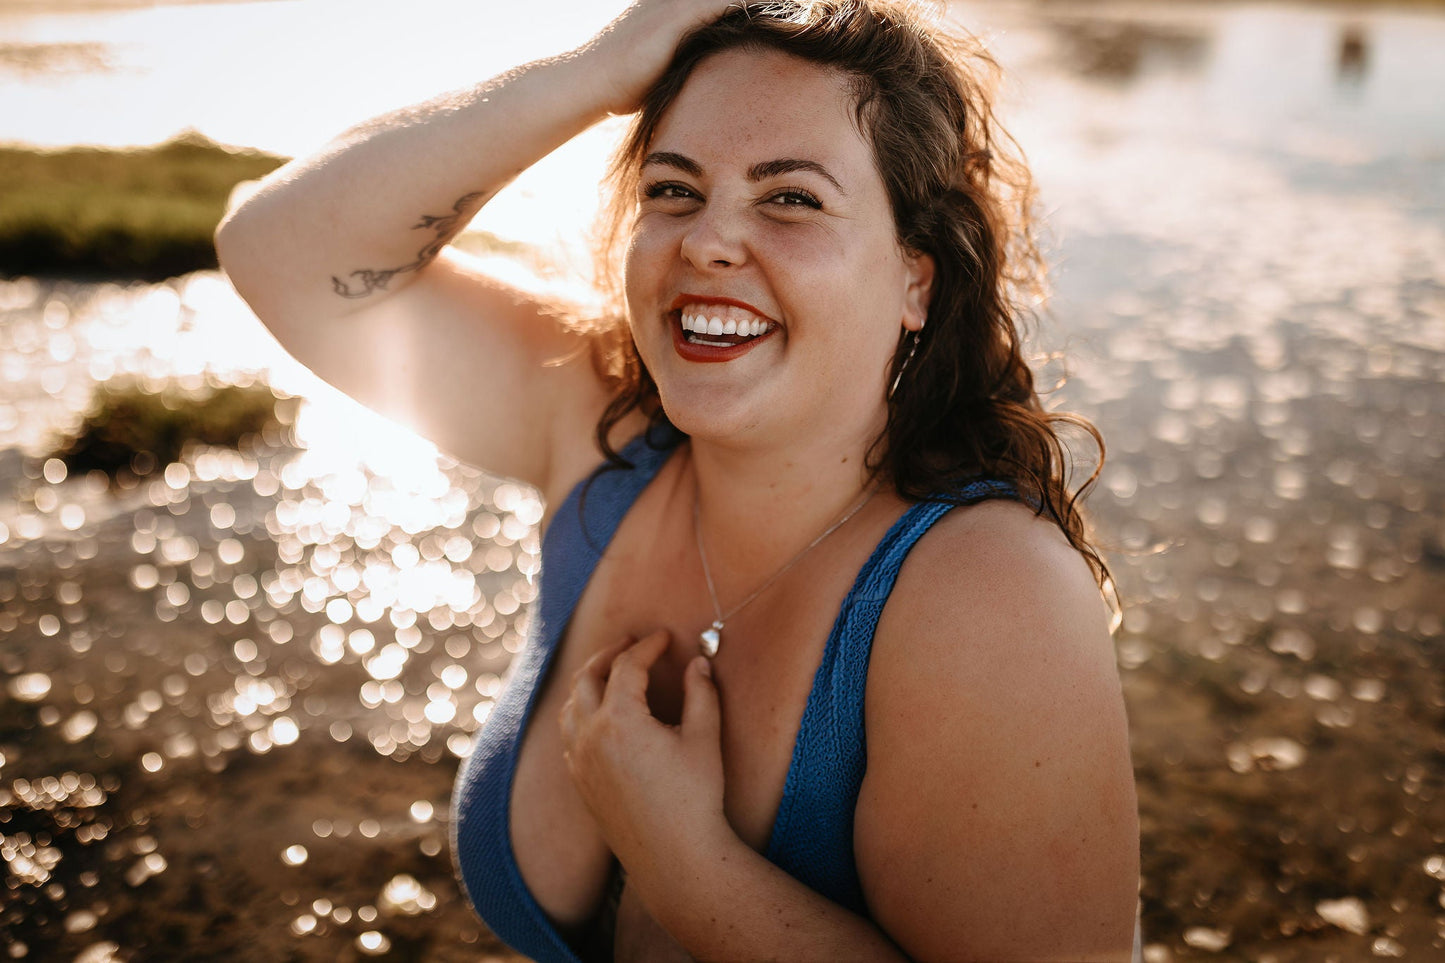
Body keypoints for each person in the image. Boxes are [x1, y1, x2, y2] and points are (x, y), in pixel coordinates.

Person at [215, 1, 1140, 959]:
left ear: (917, 279)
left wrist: (682, 860)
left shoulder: (989, 594)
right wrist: (596, 67)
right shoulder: (600, 420)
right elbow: (276, 249)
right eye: (673, 189)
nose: (707, 242)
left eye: (790, 198)